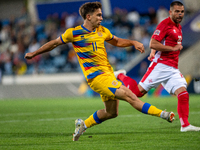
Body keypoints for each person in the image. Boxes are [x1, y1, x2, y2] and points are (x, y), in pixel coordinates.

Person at [25, 2, 175, 141]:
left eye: (101, 15)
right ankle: (163, 114)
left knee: (111, 113)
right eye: (98, 15)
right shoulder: (74, 33)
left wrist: (133, 42)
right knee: (130, 95)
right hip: (97, 78)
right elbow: (54, 43)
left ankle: (83, 124)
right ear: (88, 17)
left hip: (108, 75)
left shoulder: (102, 30)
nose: (102, 18)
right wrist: (34, 53)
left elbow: (116, 41)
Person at [115, 1, 200, 132]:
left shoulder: (179, 27)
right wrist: (169, 48)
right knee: (137, 93)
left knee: (183, 93)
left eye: (182, 12)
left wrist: (155, 51)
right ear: (170, 12)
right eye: (177, 11)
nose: (180, 14)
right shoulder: (165, 24)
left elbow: (159, 42)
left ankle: (185, 125)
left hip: (172, 68)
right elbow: (153, 42)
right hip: (160, 66)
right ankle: (121, 75)